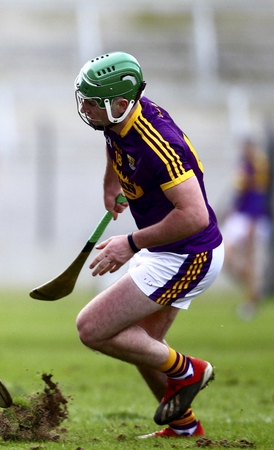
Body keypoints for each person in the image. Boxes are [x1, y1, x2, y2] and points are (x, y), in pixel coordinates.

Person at [73, 52, 224, 439]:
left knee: (92, 328)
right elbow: (116, 143)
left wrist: (130, 243)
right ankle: (184, 427)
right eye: (85, 100)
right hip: (170, 249)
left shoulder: (159, 145)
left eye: (93, 103)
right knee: (142, 342)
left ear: (121, 104)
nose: (86, 109)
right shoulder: (120, 119)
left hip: (189, 253)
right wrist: (115, 182)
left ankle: (189, 370)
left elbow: (194, 215)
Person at [221, 138, 270, 320]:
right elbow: (239, 193)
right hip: (239, 216)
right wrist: (230, 210)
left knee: (251, 260)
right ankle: (255, 289)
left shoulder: (259, 166)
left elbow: (258, 195)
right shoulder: (243, 165)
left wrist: (253, 221)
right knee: (225, 255)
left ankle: (251, 300)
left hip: (251, 218)